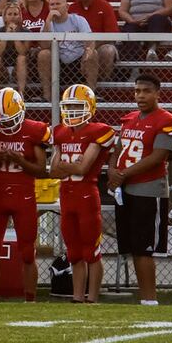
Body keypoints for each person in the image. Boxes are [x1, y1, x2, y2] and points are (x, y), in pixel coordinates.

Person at [109, 74, 172, 306]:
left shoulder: (166, 120)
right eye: (137, 90)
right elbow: (118, 150)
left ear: (158, 93)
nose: (140, 95)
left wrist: (123, 174)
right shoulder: (128, 119)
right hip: (126, 189)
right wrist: (112, 171)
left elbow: (158, 157)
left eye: (146, 91)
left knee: (144, 249)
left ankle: (150, 300)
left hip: (149, 190)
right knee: (132, 247)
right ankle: (144, 298)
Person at [0, 88, 53, 307]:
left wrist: (20, 161)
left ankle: (30, 300)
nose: (7, 125)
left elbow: (42, 170)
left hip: (24, 193)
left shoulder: (35, 130)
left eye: (10, 119)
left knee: (28, 252)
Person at [50, 83, 114, 303]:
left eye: (78, 106)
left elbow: (82, 168)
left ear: (90, 107)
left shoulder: (98, 131)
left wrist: (67, 167)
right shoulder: (60, 132)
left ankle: (93, 297)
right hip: (67, 196)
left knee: (92, 252)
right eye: (70, 106)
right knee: (74, 252)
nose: (73, 111)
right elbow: (52, 171)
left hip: (87, 195)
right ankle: (78, 296)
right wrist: (71, 166)